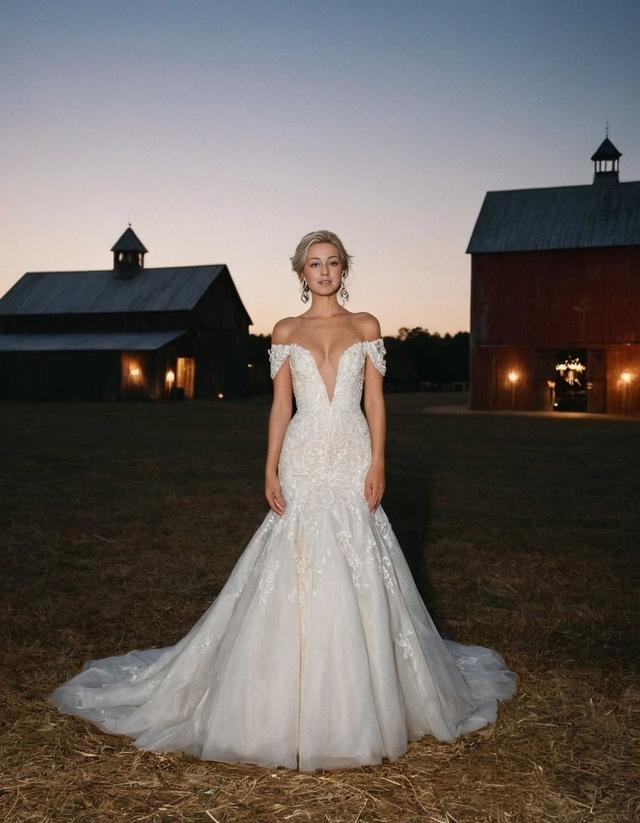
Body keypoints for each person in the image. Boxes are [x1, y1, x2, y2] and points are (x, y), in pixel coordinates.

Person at [51, 229, 517, 772]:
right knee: (294, 558)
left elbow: (375, 402)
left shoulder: (365, 325)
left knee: (359, 557)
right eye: (314, 264)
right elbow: (279, 407)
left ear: (344, 269)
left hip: (349, 455)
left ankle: (362, 697)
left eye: (332, 262)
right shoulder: (285, 331)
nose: (323, 271)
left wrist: (379, 461)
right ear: (301, 272)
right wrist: (270, 467)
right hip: (302, 454)